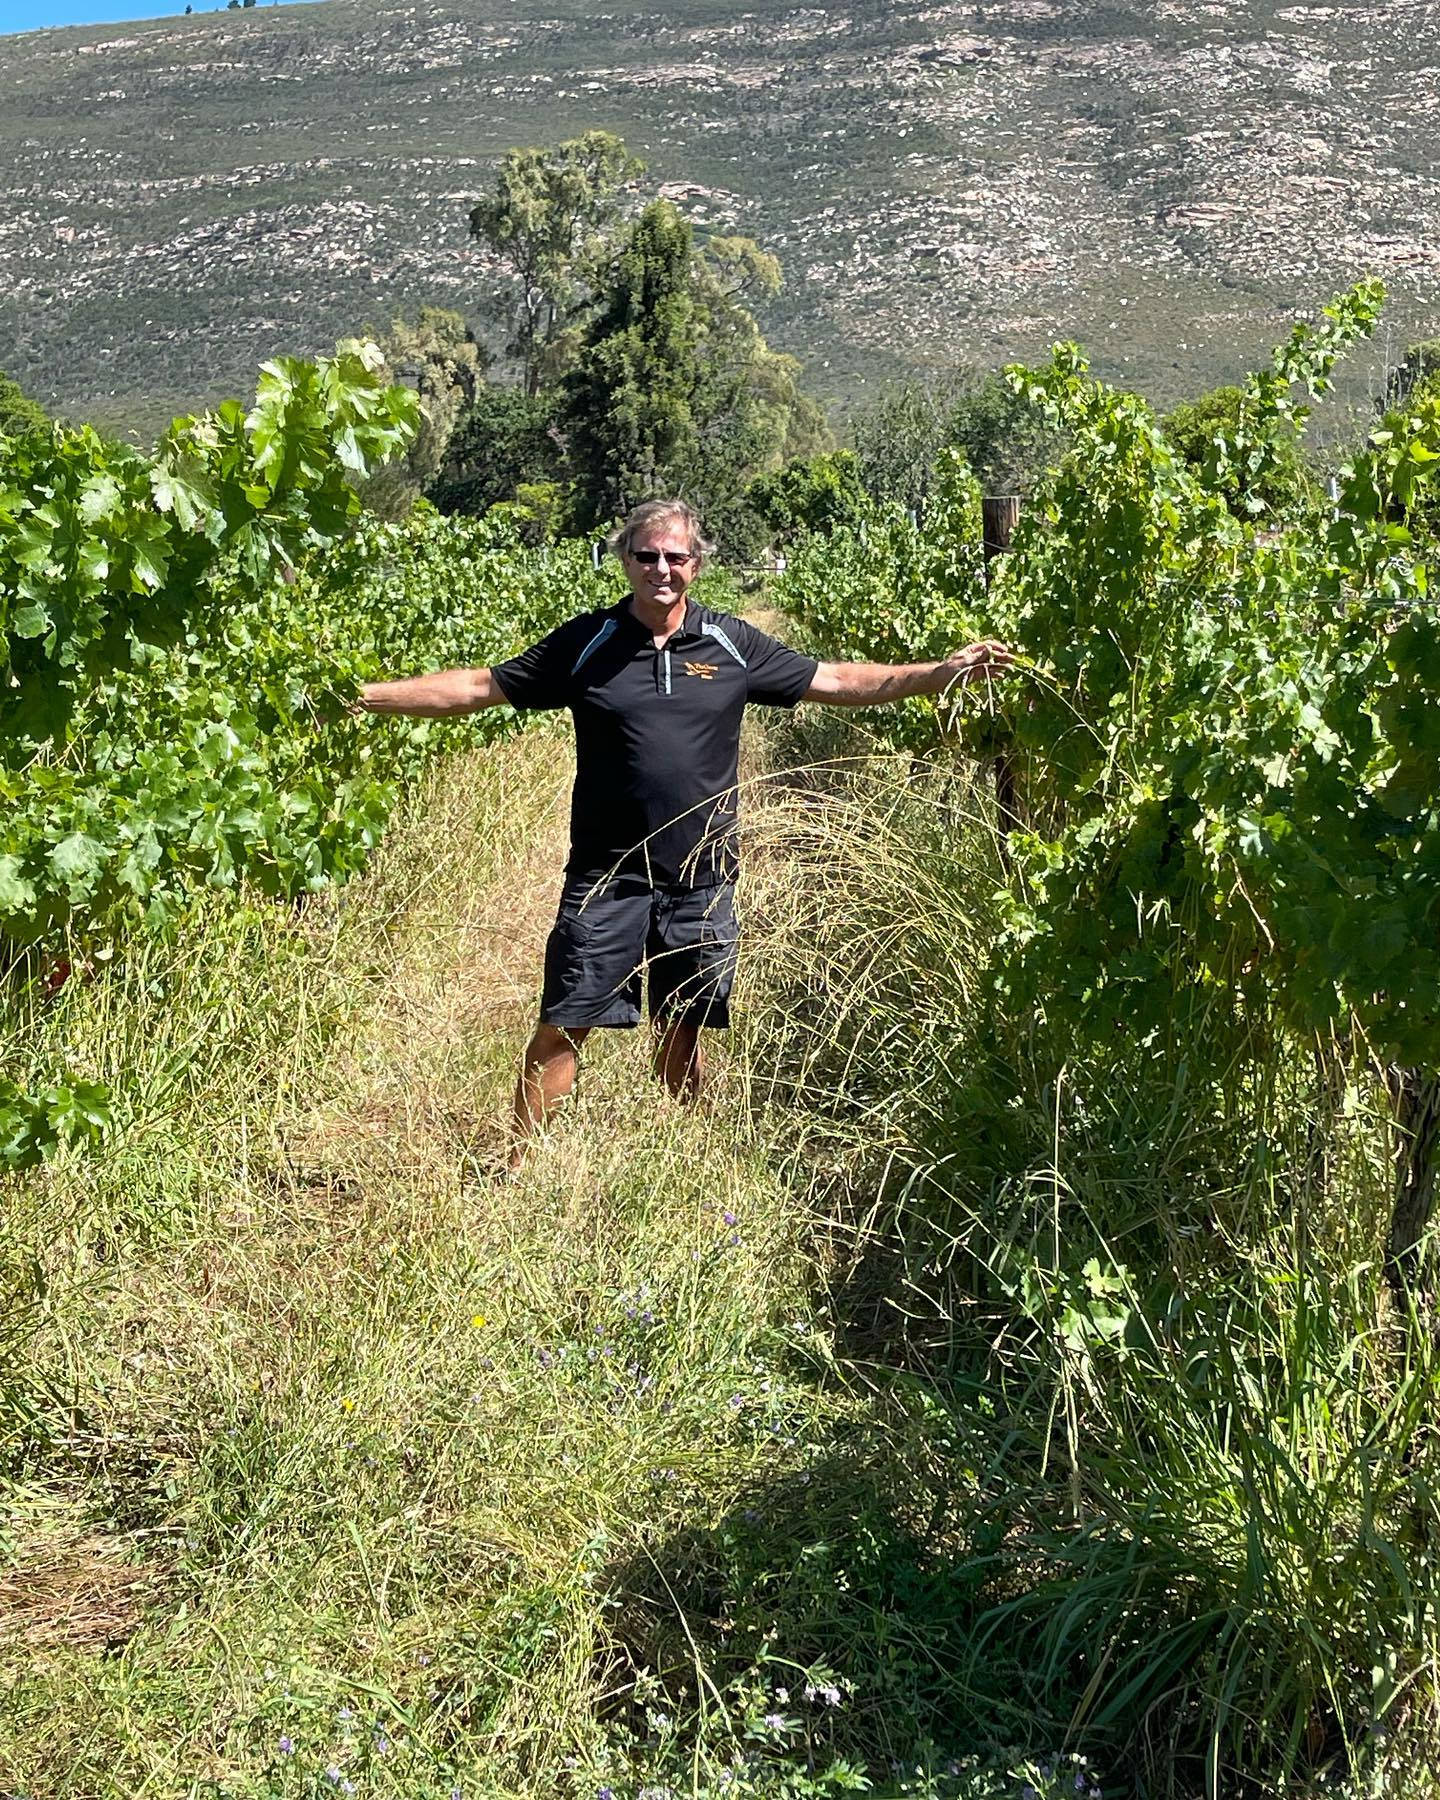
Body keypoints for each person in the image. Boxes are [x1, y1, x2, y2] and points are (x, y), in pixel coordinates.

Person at [357, 498, 1011, 1167]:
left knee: (682, 1033)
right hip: (606, 876)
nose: (661, 569)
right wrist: (363, 695)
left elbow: (838, 679)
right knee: (563, 1024)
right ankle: (519, 1169)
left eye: (675, 556)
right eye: (647, 555)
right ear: (625, 560)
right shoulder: (588, 643)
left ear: (696, 564)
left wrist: (938, 674)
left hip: (702, 877)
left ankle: (695, 1163)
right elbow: (476, 687)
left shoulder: (730, 643)